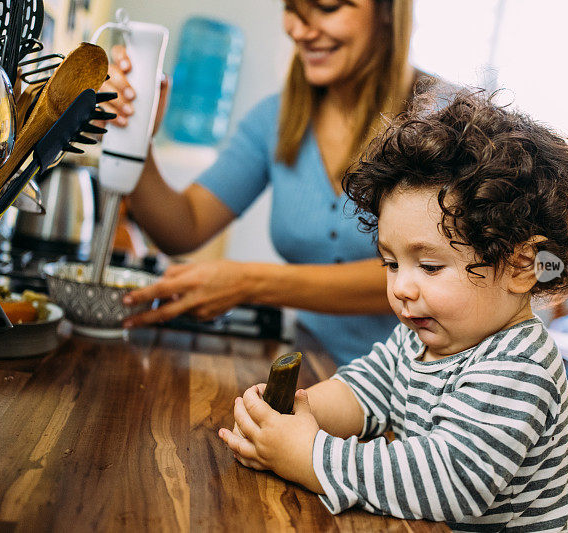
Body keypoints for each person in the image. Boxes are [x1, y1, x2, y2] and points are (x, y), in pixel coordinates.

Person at [218, 91, 568, 531]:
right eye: (391, 263)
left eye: (429, 266)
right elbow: (363, 392)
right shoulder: (424, 335)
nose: (401, 287)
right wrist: (295, 413)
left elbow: (449, 481)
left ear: (521, 266)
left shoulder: (520, 364)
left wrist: (309, 455)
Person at [101, 0, 428, 364]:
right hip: (315, 375)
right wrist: (135, 134)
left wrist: (251, 283)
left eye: (328, 7)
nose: (300, 30)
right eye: (293, 9)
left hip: (416, 395)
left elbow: (431, 272)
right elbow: (184, 226)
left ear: (387, 12)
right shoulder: (275, 118)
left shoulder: (444, 122)